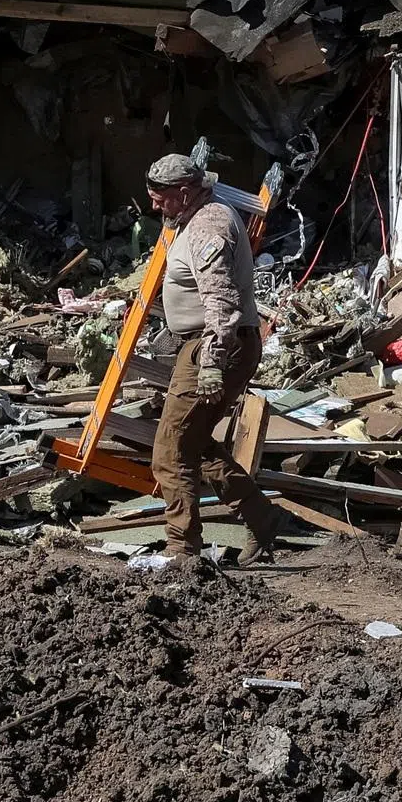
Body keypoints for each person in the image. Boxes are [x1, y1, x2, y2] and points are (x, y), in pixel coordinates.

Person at [144, 153, 283, 564]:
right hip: (212, 344)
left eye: (160, 198)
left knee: (170, 451)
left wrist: (209, 361)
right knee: (196, 444)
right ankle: (261, 518)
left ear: (184, 193)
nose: (154, 206)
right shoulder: (198, 219)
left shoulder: (208, 225)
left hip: (216, 345)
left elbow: (221, 300)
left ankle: (183, 552)